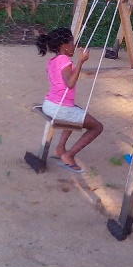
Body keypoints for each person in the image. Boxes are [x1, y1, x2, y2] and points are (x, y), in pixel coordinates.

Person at [35, 26, 104, 173]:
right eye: (73, 43)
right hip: (60, 108)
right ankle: (69, 155)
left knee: (76, 111)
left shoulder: (52, 61)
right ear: (64, 46)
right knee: (97, 127)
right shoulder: (65, 60)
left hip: (50, 104)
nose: (75, 45)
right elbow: (70, 83)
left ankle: (60, 148)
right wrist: (80, 62)